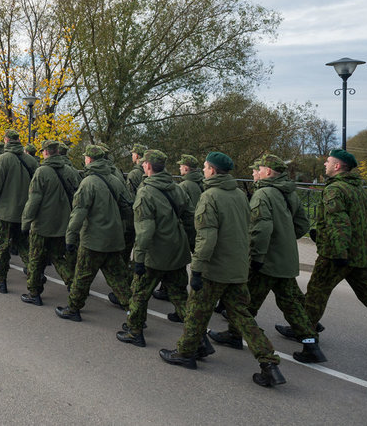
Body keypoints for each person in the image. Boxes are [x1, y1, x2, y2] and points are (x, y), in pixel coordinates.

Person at [160, 152, 286, 388]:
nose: (204, 170)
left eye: (206, 167)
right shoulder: (239, 193)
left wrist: (196, 270)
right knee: (243, 317)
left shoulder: (210, 197)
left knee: (197, 311)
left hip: (215, 268)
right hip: (237, 267)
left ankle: (186, 353)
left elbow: (206, 238)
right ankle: (270, 363)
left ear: (213, 171)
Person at [278, 149, 367, 363]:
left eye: (329, 162)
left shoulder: (335, 189)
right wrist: (320, 234)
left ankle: (306, 336)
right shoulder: (358, 188)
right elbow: (354, 221)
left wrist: (339, 252)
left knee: (315, 295)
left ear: (338, 166)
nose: (325, 164)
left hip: (336, 256)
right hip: (361, 256)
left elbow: (340, 223)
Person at [207, 154, 325, 363]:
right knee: (292, 305)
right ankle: (311, 344)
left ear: (268, 172)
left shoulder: (263, 194)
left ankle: (236, 336)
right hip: (285, 259)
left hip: (267, 260)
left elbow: (260, 230)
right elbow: (303, 224)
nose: (253, 173)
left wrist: (257, 257)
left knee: (244, 303)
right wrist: (285, 238)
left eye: (257, 169)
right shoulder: (290, 193)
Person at [119, 150, 193, 346]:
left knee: (139, 293)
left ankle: (135, 331)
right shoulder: (176, 188)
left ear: (149, 166)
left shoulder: (146, 192)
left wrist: (139, 259)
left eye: (144, 163)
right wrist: (191, 245)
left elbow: (145, 230)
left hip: (155, 253)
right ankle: (197, 339)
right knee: (180, 297)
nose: (142, 165)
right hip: (177, 250)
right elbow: (189, 218)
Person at [57, 144, 134, 322]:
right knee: (118, 279)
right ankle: (134, 314)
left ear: (90, 160)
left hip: (93, 239)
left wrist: (70, 237)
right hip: (114, 238)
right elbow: (127, 208)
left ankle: (73, 308)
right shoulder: (116, 180)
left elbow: (78, 213)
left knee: (82, 276)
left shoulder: (88, 182)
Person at [20, 140, 80, 306]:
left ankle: (34, 292)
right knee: (58, 258)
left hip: (42, 225)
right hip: (63, 223)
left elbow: (34, 200)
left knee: (35, 259)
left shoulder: (42, 172)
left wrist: (26, 222)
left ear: (45, 152)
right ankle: (75, 286)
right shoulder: (70, 171)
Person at [0, 129, 39, 294]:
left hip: (5, 212)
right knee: (24, 246)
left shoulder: (3, 159)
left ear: (6, 140)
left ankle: (0, 281)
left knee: (1, 247)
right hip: (24, 211)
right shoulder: (31, 161)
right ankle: (35, 275)